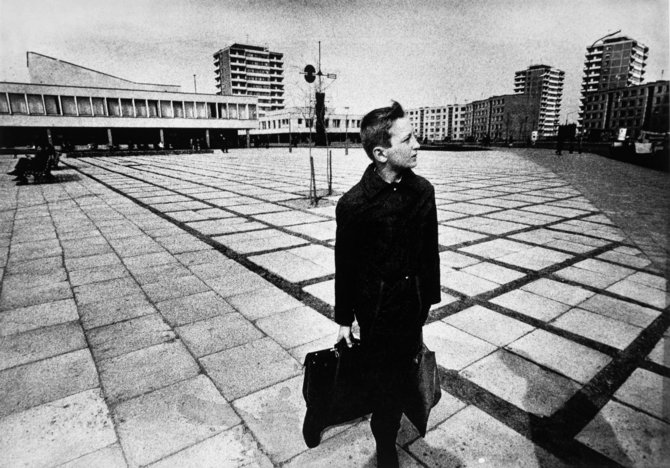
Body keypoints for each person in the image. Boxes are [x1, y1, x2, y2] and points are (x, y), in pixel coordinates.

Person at [334, 101, 441, 467]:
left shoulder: (423, 192)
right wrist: (344, 318)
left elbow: (430, 252)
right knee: (382, 382)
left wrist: (427, 301)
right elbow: (344, 265)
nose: (417, 145)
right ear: (381, 152)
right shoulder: (354, 204)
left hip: (411, 308)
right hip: (374, 311)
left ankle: (390, 426)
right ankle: (384, 446)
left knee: (401, 378)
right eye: (408, 138)